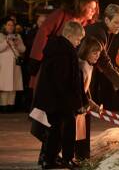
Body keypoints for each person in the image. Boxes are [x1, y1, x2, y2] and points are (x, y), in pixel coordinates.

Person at [33, 21, 86, 169]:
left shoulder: (57, 48)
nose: (79, 43)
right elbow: (64, 80)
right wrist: (74, 102)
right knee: (68, 127)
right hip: (60, 99)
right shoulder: (64, 51)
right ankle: (67, 158)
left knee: (55, 128)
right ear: (69, 36)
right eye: (78, 39)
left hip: (53, 98)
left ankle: (49, 159)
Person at [29, 0, 99, 89]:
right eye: (91, 8)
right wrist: (36, 59)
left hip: (70, 69)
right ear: (82, 6)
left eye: (95, 9)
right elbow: (43, 33)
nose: (93, 11)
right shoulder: (61, 15)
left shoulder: (89, 25)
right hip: (51, 63)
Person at [75, 36, 103, 161]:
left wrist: (91, 102)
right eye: (94, 52)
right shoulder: (81, 66)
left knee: (82, 132)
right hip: (77, 105)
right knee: (77, 132)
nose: (97, 55)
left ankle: (82, 156)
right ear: (86, 51)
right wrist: (88, 103)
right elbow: (79, 89)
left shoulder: (88, 65)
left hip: (82, 104)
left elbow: (86, 88)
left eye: (99, 53)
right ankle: (79, 157)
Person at [0, 18, 26, 113]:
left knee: (13, 86)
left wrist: (17, 43)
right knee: (4, 87)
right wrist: (6, 42)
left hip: (15, 65)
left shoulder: (17, 36)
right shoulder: (1, 36)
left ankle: (11, 106)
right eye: (9, 25)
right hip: (4, 65)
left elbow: (23, 49)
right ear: (4, 26)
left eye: (12, 25)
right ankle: (3, 106)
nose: (11, 27)